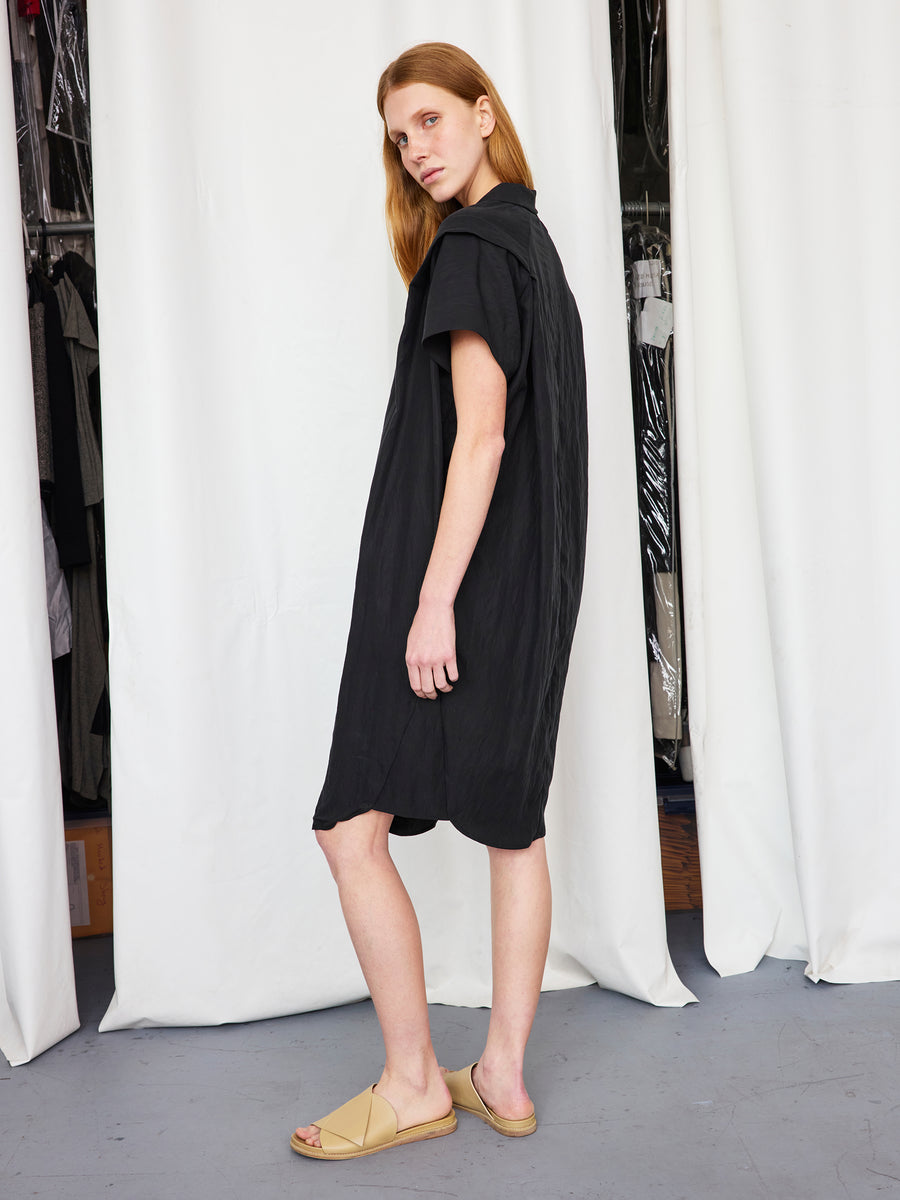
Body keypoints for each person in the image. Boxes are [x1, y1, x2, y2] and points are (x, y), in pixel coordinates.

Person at [292, 41, 588, 1161]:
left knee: (349, 825)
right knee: (513, 825)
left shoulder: (470, 247)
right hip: (528, 589)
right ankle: (499, 1072)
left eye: (429, 119)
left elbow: (482, 439)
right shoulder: (532, 246)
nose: (414, 149)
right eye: (397, 136)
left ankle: (415, 1081)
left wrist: (431, 602)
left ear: (483, 111)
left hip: (456, 586)